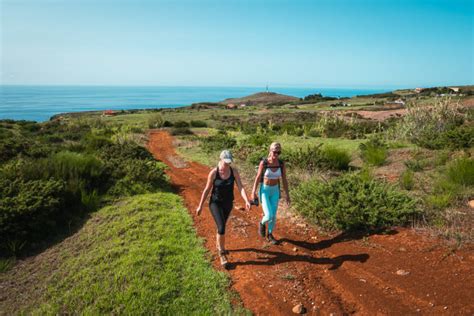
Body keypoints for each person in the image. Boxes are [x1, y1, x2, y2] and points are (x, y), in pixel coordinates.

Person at [196, 150, 251, 269]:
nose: (228, 164)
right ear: (220, 159)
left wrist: (246, 200)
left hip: (228, 203)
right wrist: (200, 205)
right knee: (221, 227)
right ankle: (221, 253)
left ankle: (218, 244)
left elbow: (240, 187)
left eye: (229, 162)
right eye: (226, 162)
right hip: (215, 203)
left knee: (221, 226)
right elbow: (206, 190)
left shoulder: (233, 171)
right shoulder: (214, 173)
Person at [251, 142, 290, 244]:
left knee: (274, 215)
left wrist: (287, 195)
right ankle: (261, 223)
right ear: (270, 150)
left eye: (278, 152)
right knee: (268, 215)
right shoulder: (264, 163)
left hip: (275, 191)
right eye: (274, 152)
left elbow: (284, 179)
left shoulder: (281, 163)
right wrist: (253, 192)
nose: (276, 154)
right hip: (265, 191)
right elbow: (258, 177)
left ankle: (270, 234)